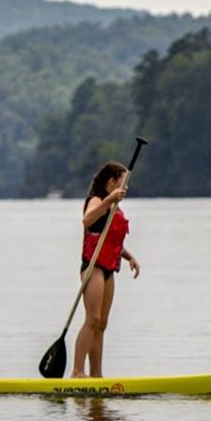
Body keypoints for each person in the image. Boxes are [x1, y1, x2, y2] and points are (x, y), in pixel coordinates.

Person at [71, 160, 140, 378]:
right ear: (111, 182)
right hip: (93, 267)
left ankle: (96, 376)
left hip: (109, 268)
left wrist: (129, 257)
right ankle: (77, 371)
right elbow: (87, 220)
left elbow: (110, 241)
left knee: (101, 324)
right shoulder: (97, 200)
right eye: (122, 184)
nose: (125, 189)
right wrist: (109, 199)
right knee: (92, 319)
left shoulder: (113, 207)